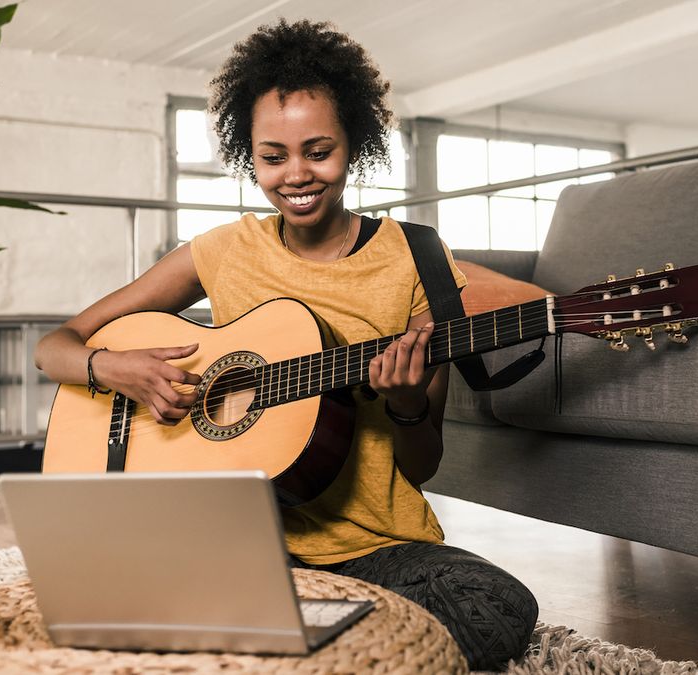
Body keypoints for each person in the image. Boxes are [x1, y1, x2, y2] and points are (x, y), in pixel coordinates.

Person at [34, 18, 538, 670]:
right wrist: (114, 367)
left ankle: (265, 626)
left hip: (370, 547)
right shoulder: (220, 251)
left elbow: (420, 465)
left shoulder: (418, 258)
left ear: (356, 142)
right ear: (250, 155)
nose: (296, 174)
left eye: (318, 150)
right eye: (273, 157)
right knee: (82, 589)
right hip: (230, 535)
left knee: (494, 607)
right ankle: (302, 626)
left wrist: (408, 403)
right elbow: (55, 345)